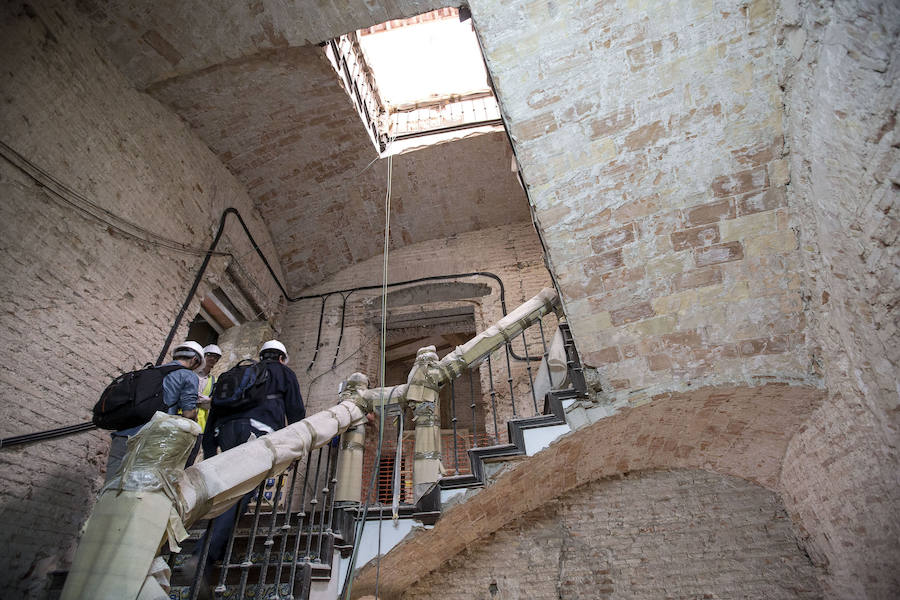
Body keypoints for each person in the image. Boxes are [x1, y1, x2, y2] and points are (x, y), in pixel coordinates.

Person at [200, 340, 305, 567]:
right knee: (240, 493)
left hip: (225, 431)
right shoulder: (283, 373)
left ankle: (216, 550)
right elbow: (296, 412)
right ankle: (204, 556)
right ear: (282, 358)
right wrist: (295, 450)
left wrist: (209, 450)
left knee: (229, 490)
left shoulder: (239, 373)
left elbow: (215, 410)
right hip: (257, 434)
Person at [104, 341, 203, 483]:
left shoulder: (151, 370)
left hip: (123, 435)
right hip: (150, 440)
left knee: (110, 486)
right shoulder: (188, 376)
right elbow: (188, 412)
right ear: (195, 360)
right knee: (135, 492)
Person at [184, 344, 222, 466]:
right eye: (211, 356)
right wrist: (205, 400)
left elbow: (212, 401)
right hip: (183, 418)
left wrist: (202, 399)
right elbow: (189, 396)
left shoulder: (213, 380)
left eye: (216, 357)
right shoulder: (190, 374)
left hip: (200, 425)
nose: (213, 360)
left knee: (189, 460)